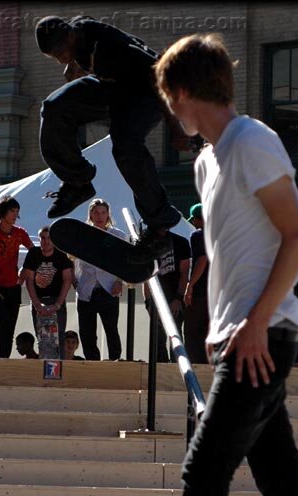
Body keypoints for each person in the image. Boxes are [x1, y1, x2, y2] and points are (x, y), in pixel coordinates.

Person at [143, 33, 298, 496]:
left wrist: (253, 323)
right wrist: (218, 325)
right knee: (281, 480)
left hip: (265, 336)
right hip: (241, 335)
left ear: (182, 92)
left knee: (203, 471)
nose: (170, 113)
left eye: (169, 99)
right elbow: (232, 254)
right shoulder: (209, 162)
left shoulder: (252, 141)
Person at [34, 15, 194, 263]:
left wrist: (176, 128)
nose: (61, 60)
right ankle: (78, 181)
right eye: (55, 58)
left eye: (61, 53)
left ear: (71, 37)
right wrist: (73, 63)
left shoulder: (112, 48)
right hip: (111, 89)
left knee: (126, 145)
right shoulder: (77, 33)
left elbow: (157, 74)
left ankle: (159, 228)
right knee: (55, 107)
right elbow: (82, 28)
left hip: (147, 93)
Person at [0, 195, 34, 358]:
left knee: (9, 326)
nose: (15, 215)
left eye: (17, 211)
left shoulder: (20, 233)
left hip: (13, 287)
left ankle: (4, 360)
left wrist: (23, 272)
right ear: (3, 212)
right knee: (2, 321)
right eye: (12, 211)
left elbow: (34, 253)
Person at [73, 199, 125, 361]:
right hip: (86, 290)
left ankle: (115, 362)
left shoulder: (118, 235)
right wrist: (75, 283)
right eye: (96, 212)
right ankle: (92, 362)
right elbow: (71, 259)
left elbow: (125, 262)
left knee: (111, 329)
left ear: (108, 214)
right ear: (90, 214)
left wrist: (120, 281)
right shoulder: (81, 234)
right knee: (87, 332)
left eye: (103, 212)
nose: (100, 216)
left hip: (109, 288)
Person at [23, 226, 73, 359]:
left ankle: (58, 374)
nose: (46, 241)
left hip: (56, 300)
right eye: (43, 238)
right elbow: (29, 280)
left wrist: (57, 305)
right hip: (38, 301)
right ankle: (45, 374)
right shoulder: (33, 253)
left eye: (49, 238)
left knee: (58, 338)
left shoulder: (62, 254)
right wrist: (37, 305)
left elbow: (67, 280)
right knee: (43, 339)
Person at [143, 231, 190, 363]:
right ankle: (159, 373)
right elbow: (145, 275)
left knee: (175, 336)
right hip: (155, 299)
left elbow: (185, 273)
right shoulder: (147, 242)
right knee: (158, 339)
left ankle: (177, 370)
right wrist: (148, 303)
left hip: (175, 298)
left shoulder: (181, 242)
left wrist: (178, 298)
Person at [183, 203, 209, 364]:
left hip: (201, 292)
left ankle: (194, 366)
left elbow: (202, 259)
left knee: (192, 331)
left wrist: (190, 285)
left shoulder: (198, 235)